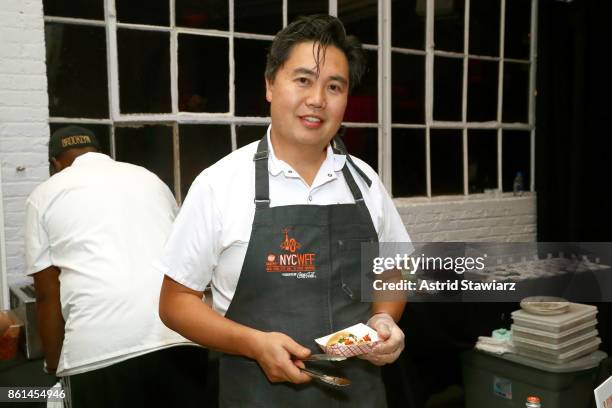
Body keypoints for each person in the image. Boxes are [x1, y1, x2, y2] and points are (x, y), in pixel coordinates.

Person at [158, 15, 410, 407]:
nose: (317, 100)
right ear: (270, 85)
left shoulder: (365, 183)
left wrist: (384, 319)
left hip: (360, 396)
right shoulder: (220, 184)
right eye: (303, 80)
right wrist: (254, 344)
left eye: (334, 86)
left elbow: (391, 271)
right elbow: (175, 303)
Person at [25, 126, 207, 407]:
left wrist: (53, 367)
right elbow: (182, 256)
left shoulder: (43, 195)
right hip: (180, 335)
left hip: (98, 351)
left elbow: (47, 295)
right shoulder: (150, 179)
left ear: (54, 164)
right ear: (99, 152)